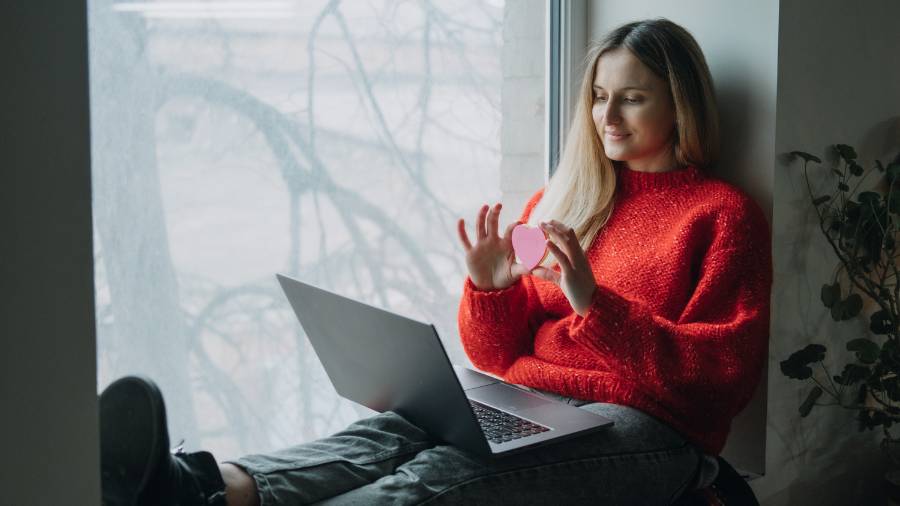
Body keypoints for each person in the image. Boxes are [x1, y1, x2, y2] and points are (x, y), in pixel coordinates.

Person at [100, 18, 771, 505]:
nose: (606, 115)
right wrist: (487, 288)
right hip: (537, 399)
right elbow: (497, 354)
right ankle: (194, 488)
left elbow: (720, 380)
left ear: (679, 103)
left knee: (436, 478)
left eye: (632, 96)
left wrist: (595, 305)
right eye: (598, 95)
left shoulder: (720, 215)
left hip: (653, 433)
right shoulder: (568, 198)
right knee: (389, 434)